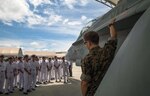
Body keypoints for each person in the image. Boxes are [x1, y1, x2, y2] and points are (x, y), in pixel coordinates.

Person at [80, 19, 117, 96]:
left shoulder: (87, 59)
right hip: (108, 90)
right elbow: (113, 37)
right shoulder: (107, 50)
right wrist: (111, 25)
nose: (85, 45)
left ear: (89, 42)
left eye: (85, 43)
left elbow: (84, 83)